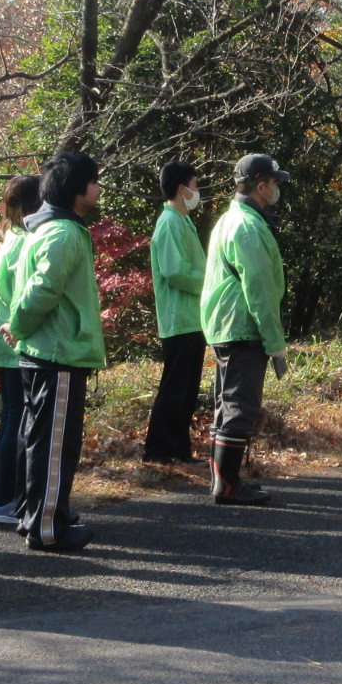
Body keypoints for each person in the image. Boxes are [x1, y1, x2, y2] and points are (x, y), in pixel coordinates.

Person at [5, 150, 105, 550]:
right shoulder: (63, 233)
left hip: (46, 352)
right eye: (94, 181)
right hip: (57, 354)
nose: (98, 188)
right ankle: (48, 528)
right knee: (54, 445)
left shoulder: (47, 229)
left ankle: (35, 515)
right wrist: (18, 325)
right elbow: (41, 291)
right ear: (76, 188)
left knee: (38, 438)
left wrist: (18, 328)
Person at [200, 153, 291, 506]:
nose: (278, 190)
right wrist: (275, 342)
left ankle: (223, 480)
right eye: (275, 183)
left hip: (226, 325)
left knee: (227, 404)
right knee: (240, 406)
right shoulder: (248, 226)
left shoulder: (231, 219)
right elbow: (259, 288)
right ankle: (227, 484)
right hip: (243, 327)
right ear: (262, 185)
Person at [0, 174, 42, 523]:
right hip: (12, 338)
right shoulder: (24, 240)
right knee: (19, 416)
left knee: (11, 415)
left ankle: (4, 498)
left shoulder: (7, 236)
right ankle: (6, 499)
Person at [144, 160, 207, 464]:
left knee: (186, 390)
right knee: (175, 388)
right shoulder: (169, 221)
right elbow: (174, 271)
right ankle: (158, 451)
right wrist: (211, 283)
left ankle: (179, 450)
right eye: (195, 185)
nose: (198, 191)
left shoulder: (182, 221)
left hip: (192, 319)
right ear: (182, 188)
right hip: (179, 319)